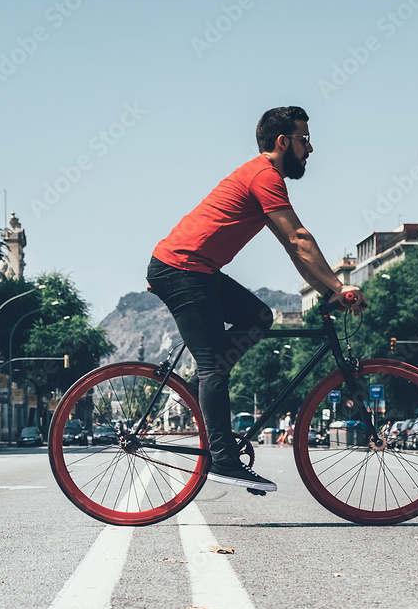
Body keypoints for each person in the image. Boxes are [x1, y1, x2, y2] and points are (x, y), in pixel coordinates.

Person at [147, 105, 367, 491]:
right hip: (183, 269)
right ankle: (224, 459)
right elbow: (301, 238)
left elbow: (291, 247)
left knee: (260, 317)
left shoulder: (264, 179)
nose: (310, 149)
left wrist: (325, 293)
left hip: (198, 270)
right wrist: (338, 288)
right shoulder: (265, 175)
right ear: (283, 142)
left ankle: (205, 383)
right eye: (305, 140)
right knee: (215, 366)